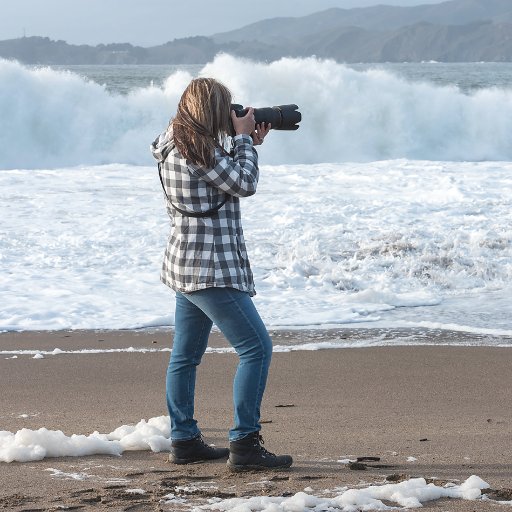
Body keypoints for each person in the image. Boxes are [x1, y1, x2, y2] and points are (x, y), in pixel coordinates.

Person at [150, 77, 293, 471]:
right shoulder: (201, 152)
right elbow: (243, 183)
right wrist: (244, 140)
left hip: (184, 263)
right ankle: (245, 444)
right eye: (224, 108)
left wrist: (243, 142)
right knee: (256, 349)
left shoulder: (172, 142)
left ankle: (184, 440)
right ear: (211, 111)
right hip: (212, 268)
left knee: (185, 356)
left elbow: (217, 178)